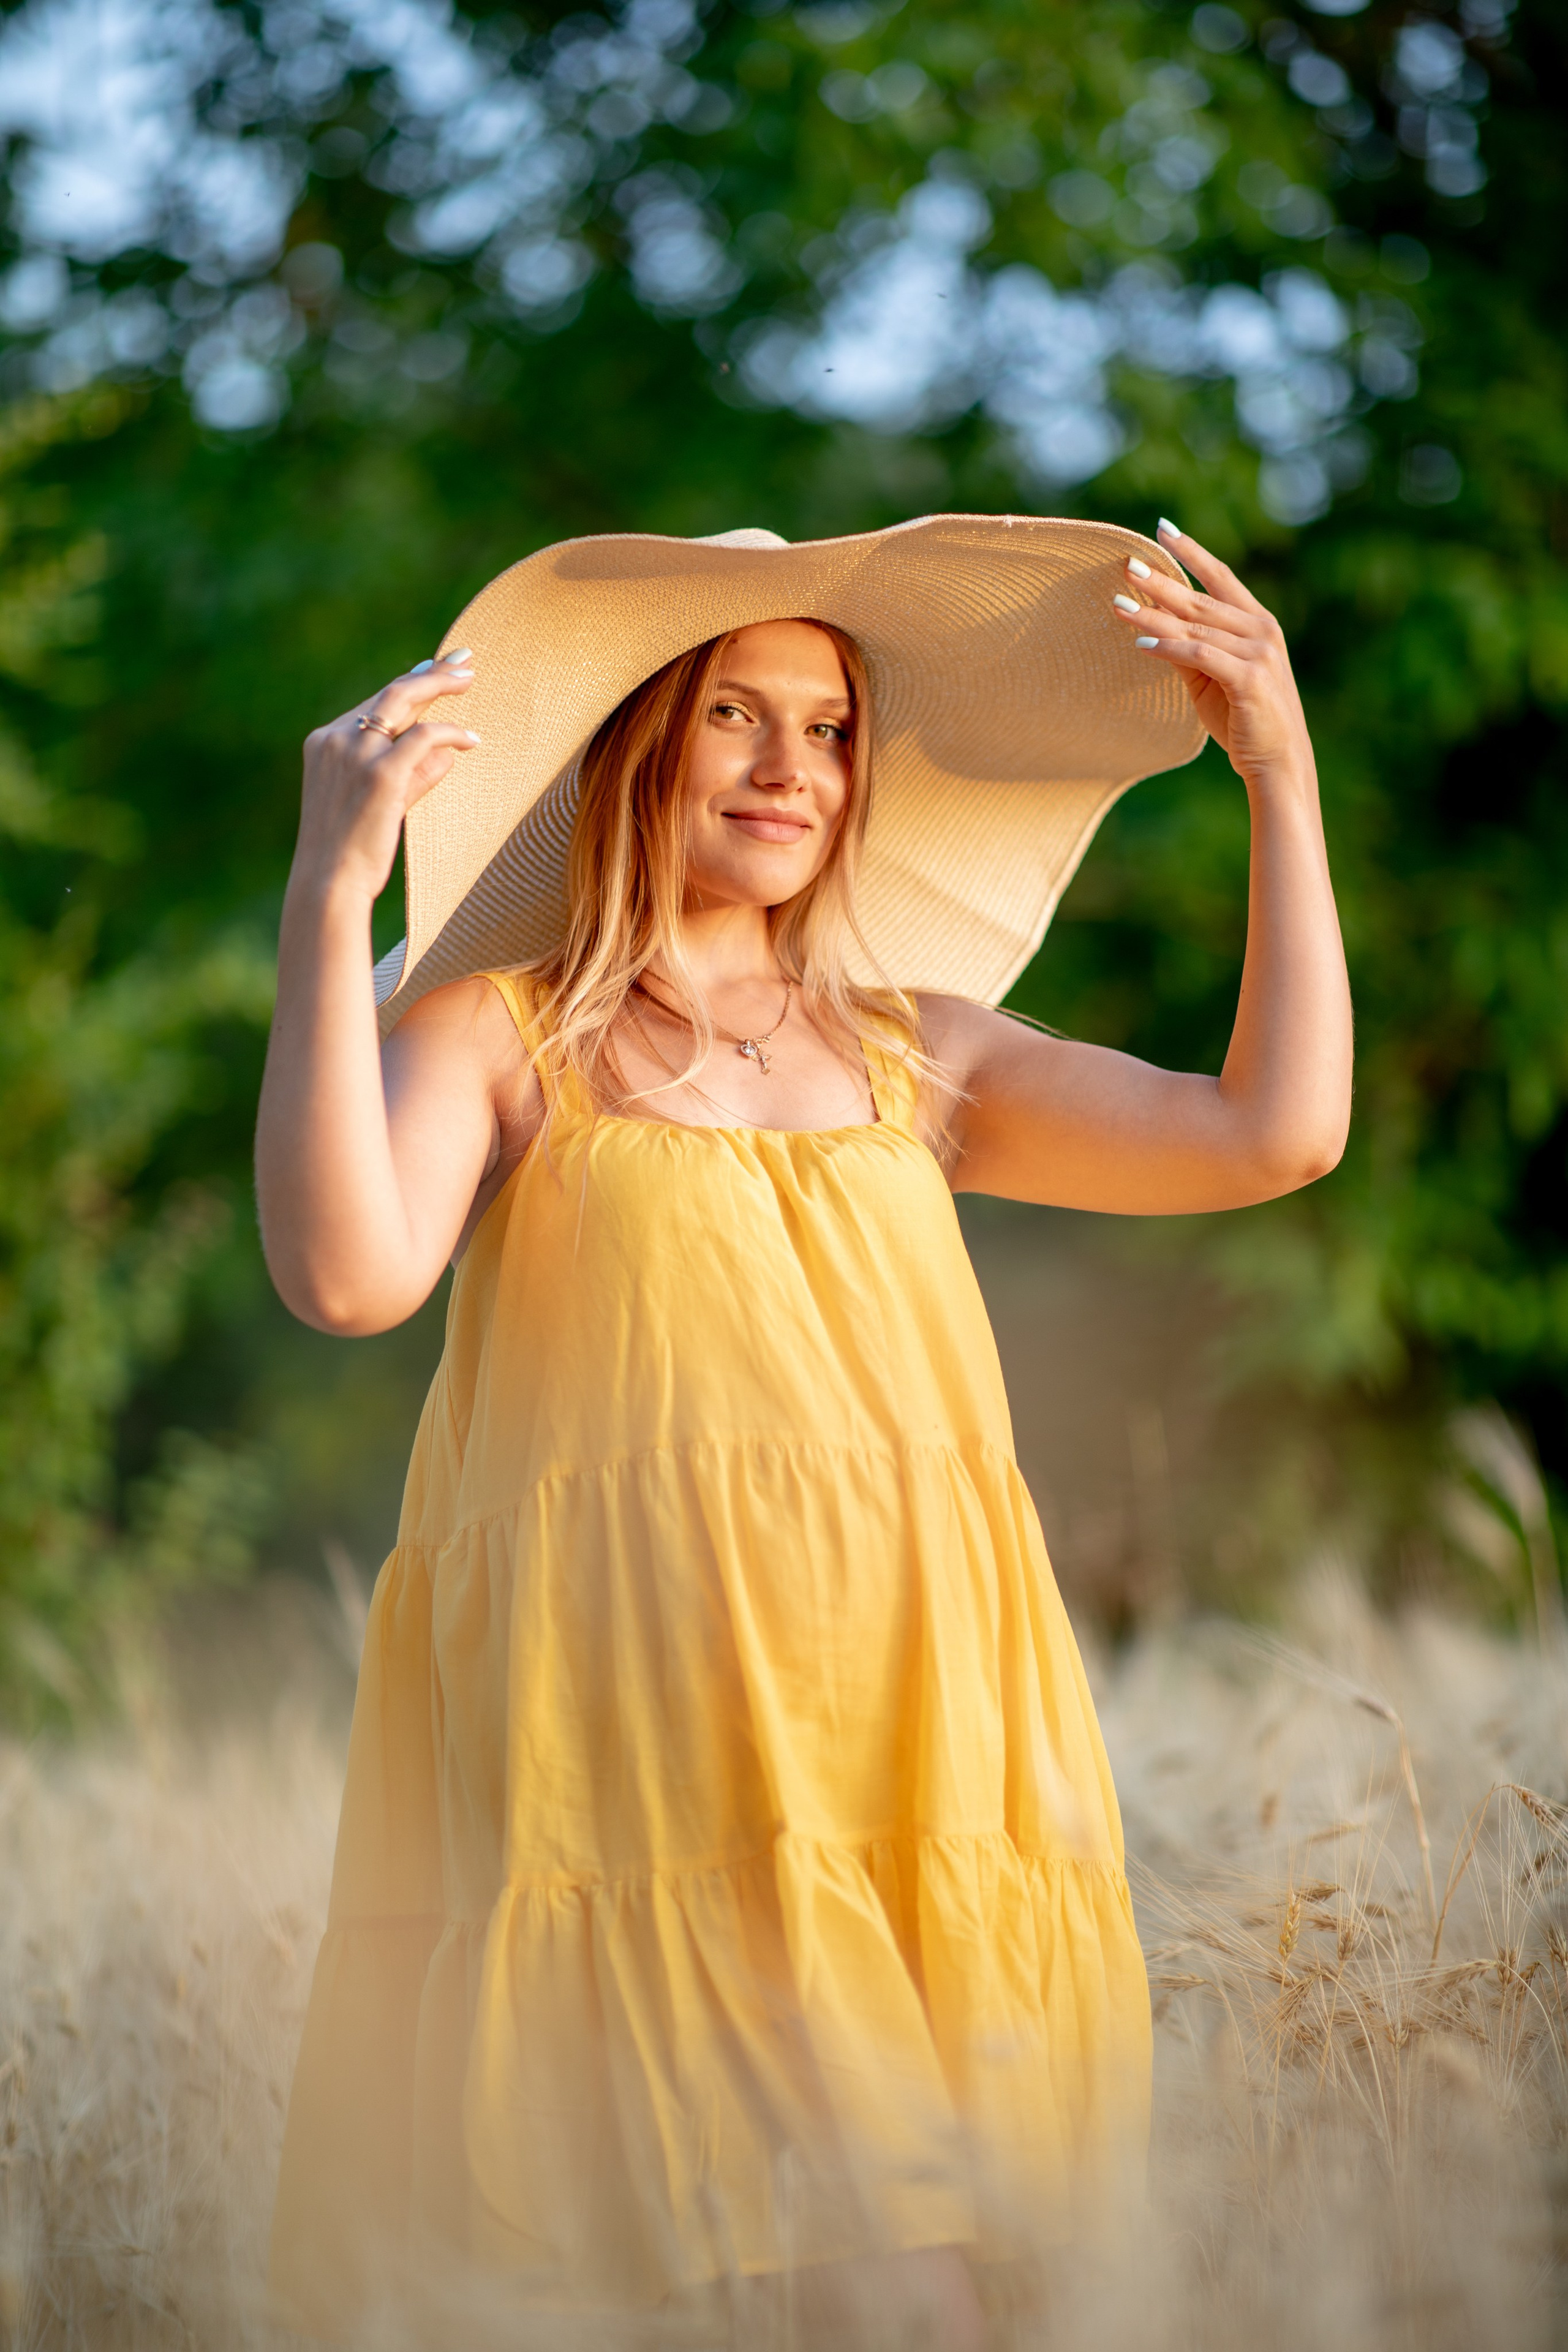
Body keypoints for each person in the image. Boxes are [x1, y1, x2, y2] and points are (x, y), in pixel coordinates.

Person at [258, 514, 1351, 2346]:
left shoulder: (925, 1052)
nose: (794, 768)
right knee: (867, 2285)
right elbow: (347, 1278)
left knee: (917, 2290)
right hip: (654, 1746)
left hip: (919, 1745)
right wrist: (324, 902)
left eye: (835, 727)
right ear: (636, 742)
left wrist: (1280, 769)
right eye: (737, 717)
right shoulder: (498, 1036)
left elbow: (1276, 1134)